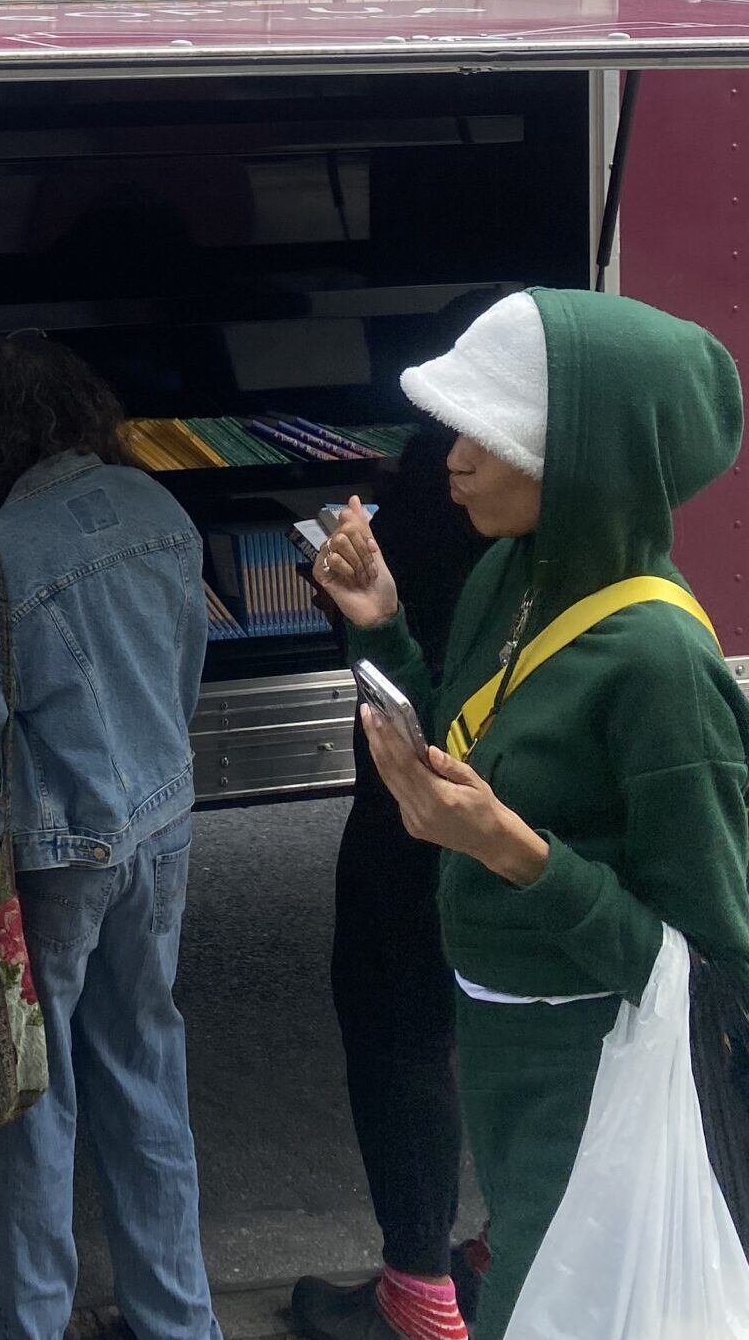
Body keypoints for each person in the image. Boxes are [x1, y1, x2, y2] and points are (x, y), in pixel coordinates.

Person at [313, 289, 749, 1340]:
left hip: (593, 1070)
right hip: (504, 1042)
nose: (451, 457)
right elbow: (467, 747)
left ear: (583, 457)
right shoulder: (510, 576)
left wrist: (513, 853)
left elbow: (709, 961)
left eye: (487, 432)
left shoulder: (660, 661)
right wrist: (378, 630)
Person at [0, 333, 223, 1340]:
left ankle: (23, 1324)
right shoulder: (163, 512)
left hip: (44, 856)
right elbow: (183, 675)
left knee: (25, 1096)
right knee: (147, 1076)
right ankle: (179, 1321)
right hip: (156, 836)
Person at [292, 307, 495, 1340]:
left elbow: (416, 705)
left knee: (399, 1031)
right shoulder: (580, 552)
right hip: (469, 829)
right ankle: (496, 1257)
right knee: (513, 1030)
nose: (452, 450)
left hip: (411, 827)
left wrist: (359, 606)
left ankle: (418, 1296)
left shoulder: (435, 502)